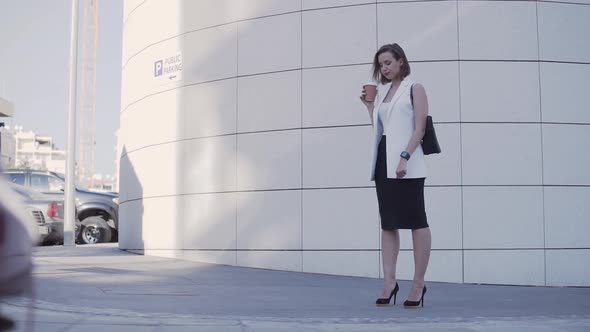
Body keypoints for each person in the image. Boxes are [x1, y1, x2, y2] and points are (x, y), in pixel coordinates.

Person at [360, 43, 432, 308]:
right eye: (381, 64)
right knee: (388, 223)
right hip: (383, 163)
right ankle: (389, 283)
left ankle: (418, 284)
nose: (384, 68)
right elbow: (382, 129)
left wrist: (405, 157)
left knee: (416, 221)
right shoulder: (385, 93)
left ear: (401, 61)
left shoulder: (415, 88)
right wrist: (370, 106)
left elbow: (420, 128)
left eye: (388, 62)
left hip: (407, 164)